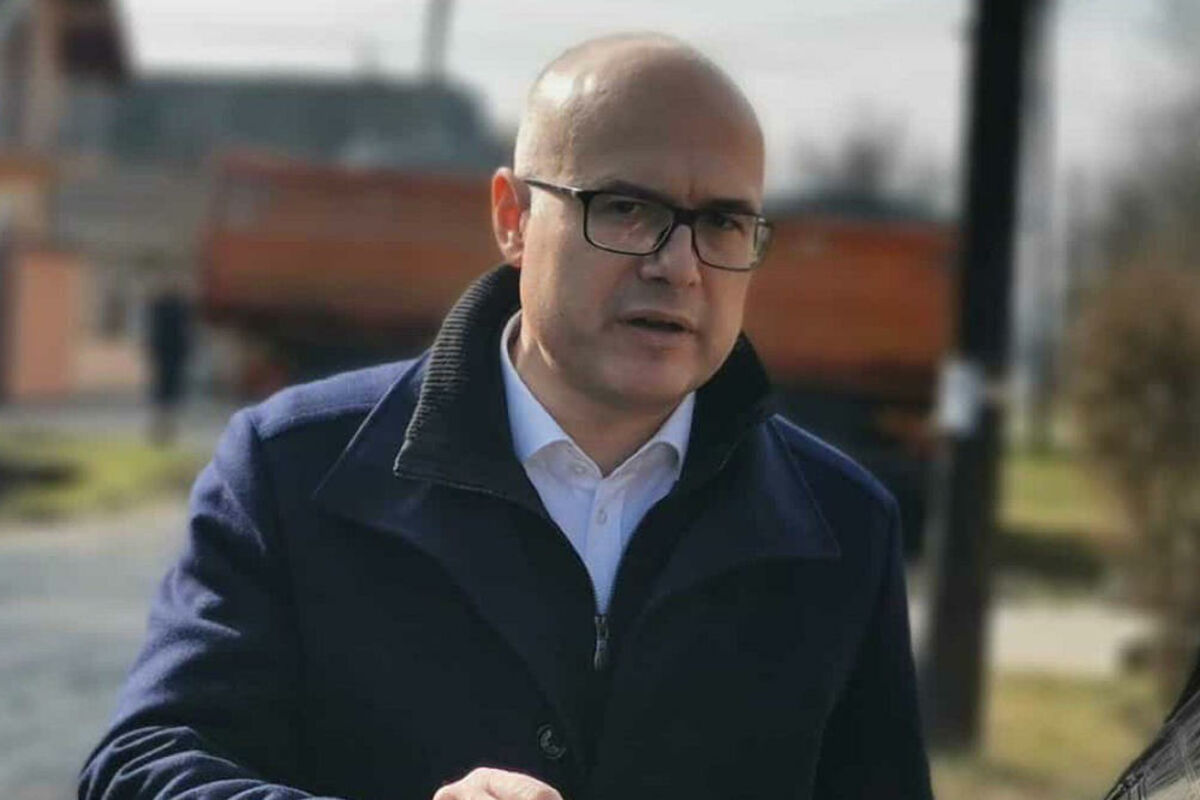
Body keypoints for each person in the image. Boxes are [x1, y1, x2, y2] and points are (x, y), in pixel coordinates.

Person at [80, 34, 932, 800]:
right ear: (513, 218)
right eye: (624, 208)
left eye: (723, 222)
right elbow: (142, 770)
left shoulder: (843, 528)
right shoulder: (292, 468)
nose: (679, 266)